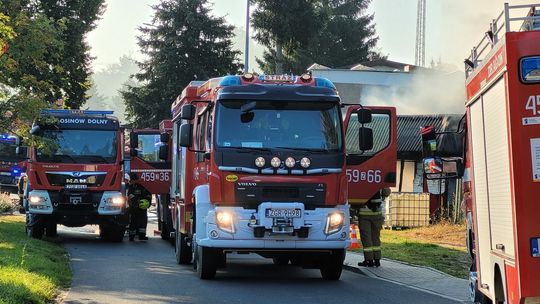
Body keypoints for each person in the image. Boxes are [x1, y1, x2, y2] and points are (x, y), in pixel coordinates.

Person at [357, 188, 391, 267]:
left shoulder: (362, 179)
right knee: (376, 237)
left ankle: (369, 260)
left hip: (364, 214)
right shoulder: (378, 177)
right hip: (377, 214)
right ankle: (377, 260)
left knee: (366, 238)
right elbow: (386, 192)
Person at [127, 173, 151, 241]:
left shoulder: (142, 186)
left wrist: (148, 202)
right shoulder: (131, 187)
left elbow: (148, 194)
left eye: (131, 180)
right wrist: (136, 202)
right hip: (134, 207)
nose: (131, 181)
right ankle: (131, 236)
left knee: (143, 221)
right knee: (133, 221)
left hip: (142, 207)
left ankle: (142, 235)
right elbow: (130, 195)